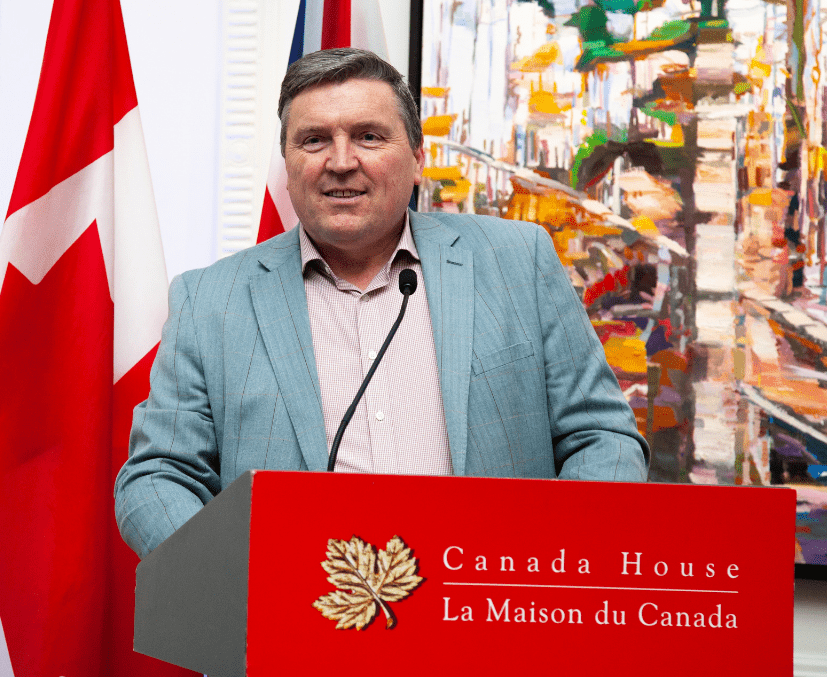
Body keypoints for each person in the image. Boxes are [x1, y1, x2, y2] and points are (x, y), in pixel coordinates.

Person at [115, 48, 648, 559]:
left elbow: (602, 437)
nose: (341, 162)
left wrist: (549, 565)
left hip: (487, 602)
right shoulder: (210, 301)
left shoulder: (517, 262)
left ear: (417, 159)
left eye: (368, 136)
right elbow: (158, 476)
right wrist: (235, 579)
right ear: (287, 165)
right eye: (314, 140)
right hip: (297, 610)